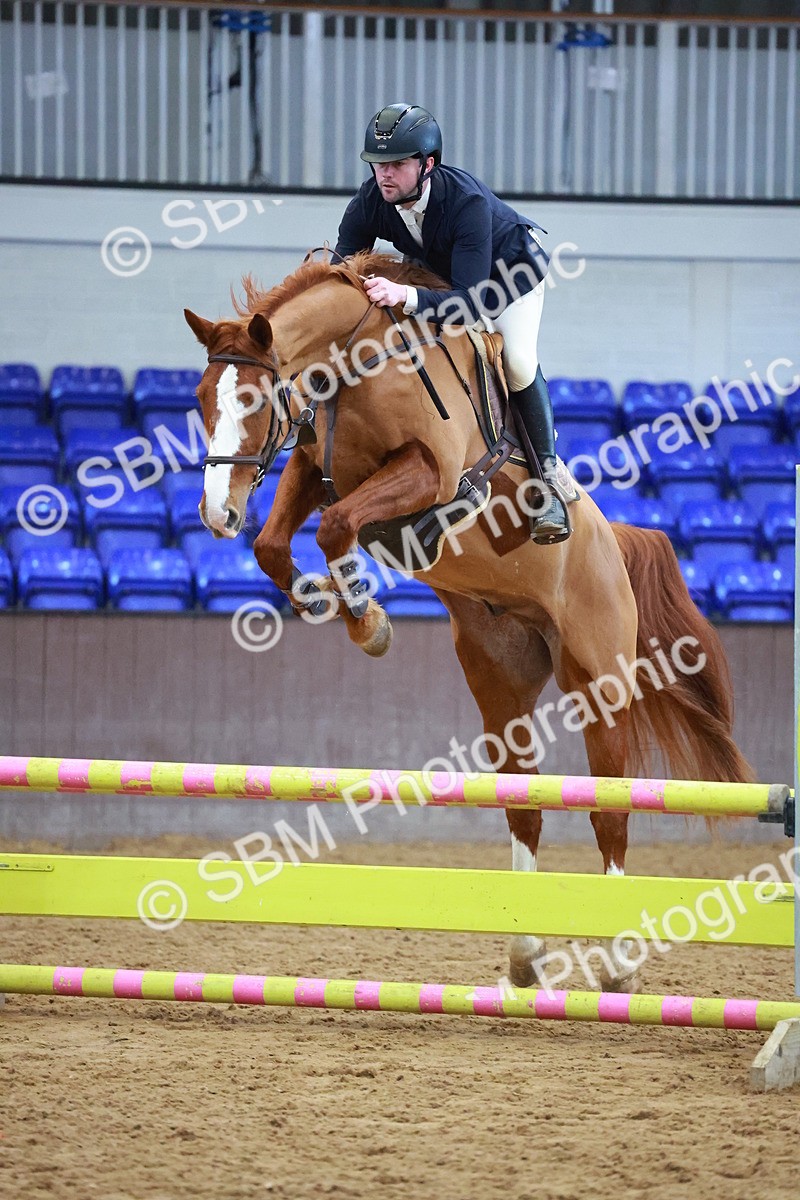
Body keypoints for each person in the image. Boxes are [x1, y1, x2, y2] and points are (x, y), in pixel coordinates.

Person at [335, 102, 569, 545]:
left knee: (517, 361)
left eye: (397, 164)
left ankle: (548, 481)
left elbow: (469, 304)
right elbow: (341, 270)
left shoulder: (467, 203)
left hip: (509, 279)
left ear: (427, 165)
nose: (385, 175)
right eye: (378, 165)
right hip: (448, 277)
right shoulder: (370, 201)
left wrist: (405, 295)